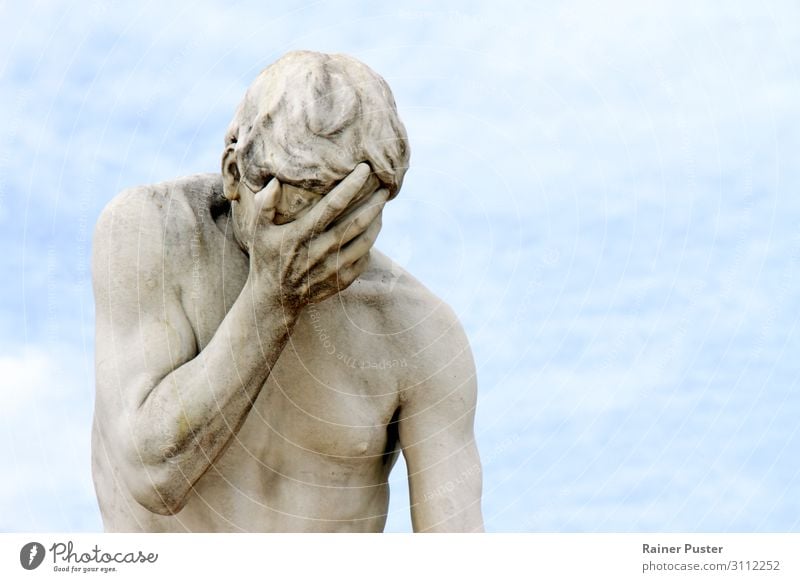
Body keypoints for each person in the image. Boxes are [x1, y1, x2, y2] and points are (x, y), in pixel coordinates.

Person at [91, 51, 483, 532]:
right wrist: (272, 299)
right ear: (234, 173)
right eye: (295, 214)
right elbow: (150, 478)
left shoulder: (417, 331)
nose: (311, 246)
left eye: (344, 217)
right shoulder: (154, 235)